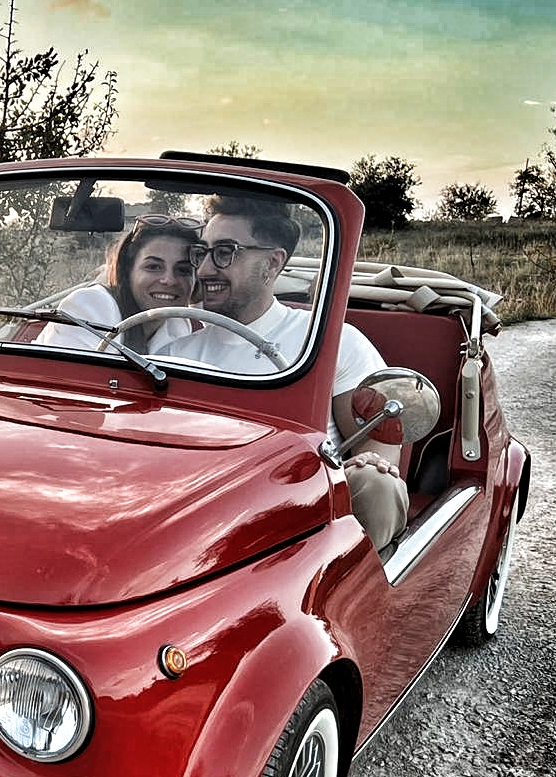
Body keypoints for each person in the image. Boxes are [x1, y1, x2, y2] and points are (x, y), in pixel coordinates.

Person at [155, 194, 409, 548]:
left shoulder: (330, 341)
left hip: (301, 514)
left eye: (225, 252)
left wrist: (367, 465)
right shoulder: (171, 353)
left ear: (272, 263)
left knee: (378, 483)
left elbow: (378, 443)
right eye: (203, 252)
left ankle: (356, 597)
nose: (207, 269)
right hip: (194, 508)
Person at [37, 215, 200, 354]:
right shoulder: (91, 306)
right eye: (153, 267)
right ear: (128, 270)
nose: (169, 280)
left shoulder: (179, 325)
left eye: (183, 270)